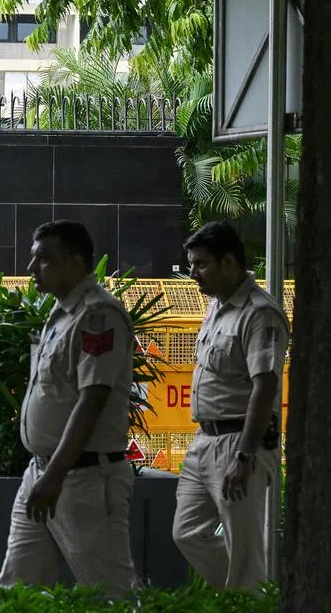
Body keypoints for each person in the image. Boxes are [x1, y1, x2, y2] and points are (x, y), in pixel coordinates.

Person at [0, 220, 138, 597]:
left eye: (44, 259)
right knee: (16, 590)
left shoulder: (98, 316)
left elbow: (93, 400)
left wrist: (55, 475)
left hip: (83, 480)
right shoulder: (62, 313)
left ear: (75, 264)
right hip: (42, 474)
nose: (32, 268)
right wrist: (46, 474)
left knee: (111, 594)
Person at [172, 221, 288, 590]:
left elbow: (265, 387)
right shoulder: (216, 307)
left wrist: (244, 455)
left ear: (228, 263)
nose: (193, 274)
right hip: (205, 440)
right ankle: (245, 591)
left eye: (201, 264)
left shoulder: (260, 313)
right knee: (186, 531)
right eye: (192, 264)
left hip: (239, 443)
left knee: (244, 549)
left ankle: (248, 593)